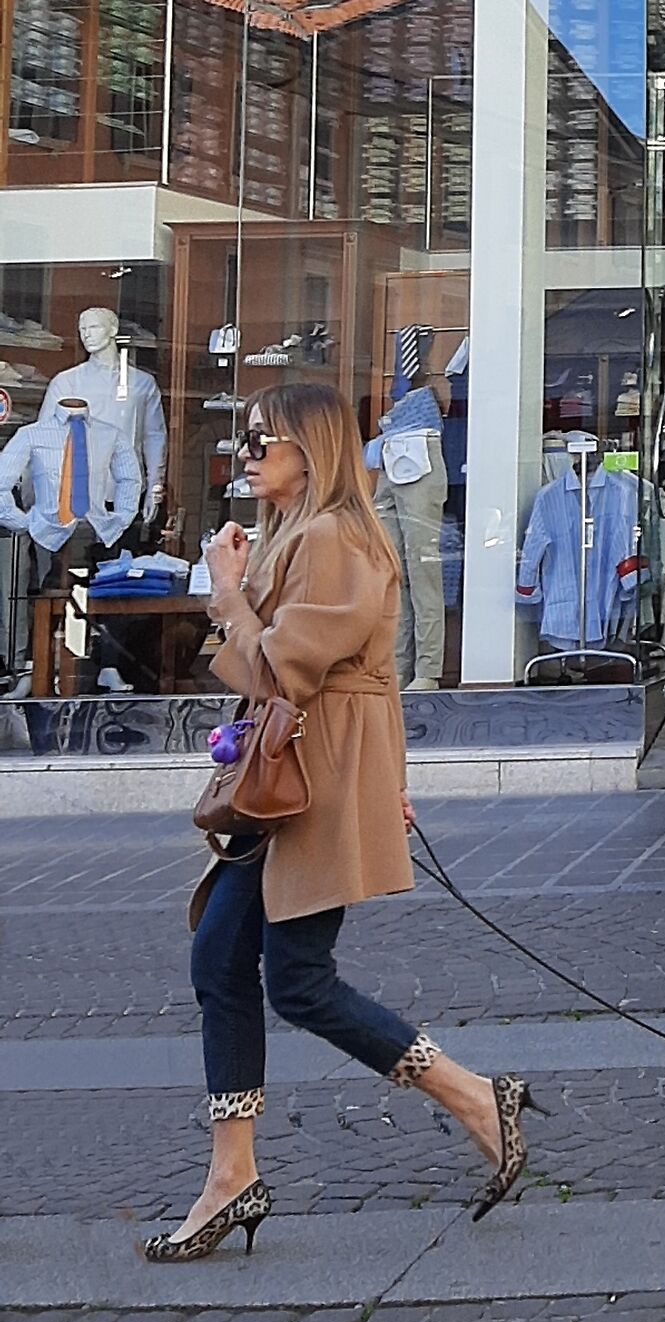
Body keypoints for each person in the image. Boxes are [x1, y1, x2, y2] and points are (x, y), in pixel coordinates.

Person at [151, 383, 539, 1263]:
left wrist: (226, 593)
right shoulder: (301, 533)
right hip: (295, 780)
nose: (247, 452)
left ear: (311, 448)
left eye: (264, 439)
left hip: (312, 785)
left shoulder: (331, 538)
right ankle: (233, 1174)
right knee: (226, 960)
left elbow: (282, 672)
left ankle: (475, 1097)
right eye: (246, 437)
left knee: (295, 979)